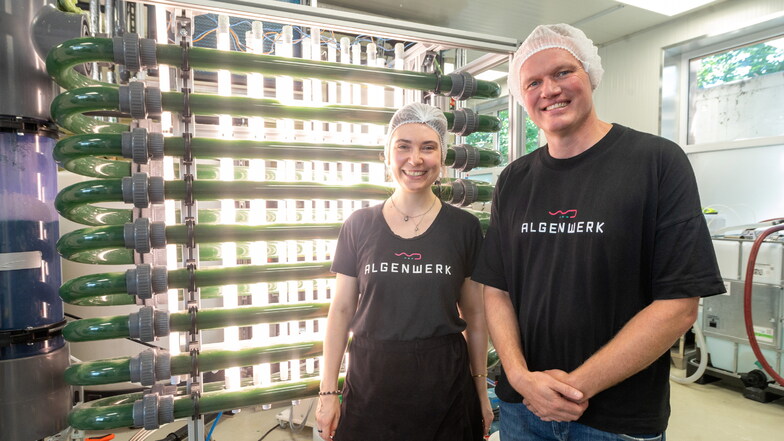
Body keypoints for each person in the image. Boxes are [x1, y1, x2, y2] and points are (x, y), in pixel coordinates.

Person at [471, 24, 725, 441]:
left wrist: (571, 390)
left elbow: (679, 304)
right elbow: (496, 289)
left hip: (617, 420)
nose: (549, 89)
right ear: (522, 96)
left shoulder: (657, 162)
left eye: (562, 72)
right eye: (533, 82)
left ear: (589, 73)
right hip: (523, 410)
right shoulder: (515, 179)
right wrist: (519, 377)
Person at [315, 102, 494, 441]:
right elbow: (340, 311)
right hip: (371, 380)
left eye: (428, 148)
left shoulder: (464, 228)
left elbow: (475, 315)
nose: (416, 159)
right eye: (404, 147)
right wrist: (327, 393)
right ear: (387, 155)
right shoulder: (358, 225)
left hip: (445, 385)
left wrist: (481, 394)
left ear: (442, 158)